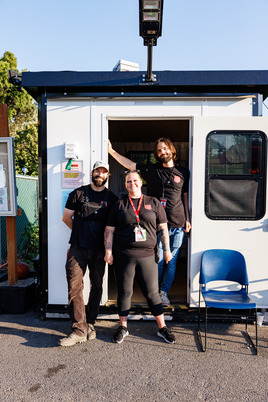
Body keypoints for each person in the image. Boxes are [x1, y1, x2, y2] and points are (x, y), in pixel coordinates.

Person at [108, 138, 191, 307]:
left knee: (172, 261)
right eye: (159, 150)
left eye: (165, 149)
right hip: (157, 225)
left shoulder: (183, 172)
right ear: (156, 155)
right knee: (158, 259)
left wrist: (188, 218)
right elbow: (130, 165)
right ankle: (154, 294)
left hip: (177, 225)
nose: (163, 152)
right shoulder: (152, 170)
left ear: (172, 150)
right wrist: (111, 151)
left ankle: (163, 292)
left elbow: (185, 197)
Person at [104, 170, 175, 344]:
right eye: (128, 181)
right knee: (125, 292)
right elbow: (109, 230)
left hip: (148, 255)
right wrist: (108, 251)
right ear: (125, 184)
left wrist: (167, 250)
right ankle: (123, 327)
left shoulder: (153, 202)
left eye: (135, 180)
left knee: (152, 293)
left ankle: (162, 328)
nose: (132, 184)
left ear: (141, 182)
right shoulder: (120, 205)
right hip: (124, 255)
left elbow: (163, 228)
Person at [59, 161, 118, 347]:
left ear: (107, 176)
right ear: (92, 173)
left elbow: (111, 228)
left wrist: (108, 250)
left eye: (103, 172)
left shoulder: (112, 199)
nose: (100, 175)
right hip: (78, 248)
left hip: (99, 250)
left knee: (97, 285)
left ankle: (90, 323)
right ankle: (79, 329)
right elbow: (66, 217)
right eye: (97, 171)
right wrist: (78, 233)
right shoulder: (78, 193)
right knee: (74, 287)